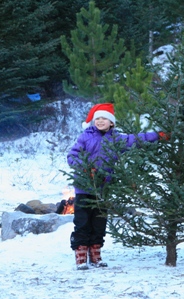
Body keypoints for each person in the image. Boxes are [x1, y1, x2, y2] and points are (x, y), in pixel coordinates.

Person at [67, 103, 160, 270]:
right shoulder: (85, 137)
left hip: (103, 188)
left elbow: (137, 139)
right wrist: (87, 168)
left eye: (104, 118)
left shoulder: (117, 139)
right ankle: (80, 253)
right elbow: (72, 156)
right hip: (84, 187)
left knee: (99, 221)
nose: (101, 121)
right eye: (98, 118)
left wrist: (158, 135)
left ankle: (95, 252)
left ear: (112, 123)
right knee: (82, 221)